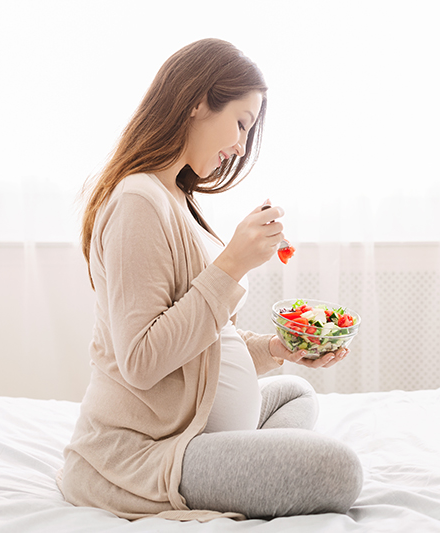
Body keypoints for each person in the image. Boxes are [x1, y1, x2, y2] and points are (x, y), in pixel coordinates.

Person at [56, 38, 363, 522]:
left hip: (194, 426)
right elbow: (141, 359)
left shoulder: (174, 197)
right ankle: (234, 470)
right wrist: (232, 266)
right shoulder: (138, 201)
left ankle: (238, 465)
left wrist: (276, 350)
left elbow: (202, 339)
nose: (241, 146)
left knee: (297, 393)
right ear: (198, 101)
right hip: (145, 451)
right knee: (339, 470)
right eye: (241, 123)